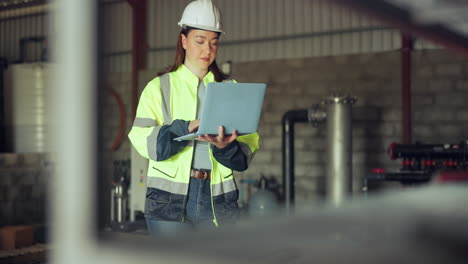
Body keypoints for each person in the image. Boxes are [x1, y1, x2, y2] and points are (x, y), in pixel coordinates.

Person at [128, 0, 259, 237]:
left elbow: (246, 154)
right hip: (168, 202)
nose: (207, 50)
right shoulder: (158, 88)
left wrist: (225, 147)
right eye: (200, 41)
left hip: (217, 201)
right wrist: (182, 128)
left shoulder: (231, 88)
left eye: (214, 42)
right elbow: (142, 140)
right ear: (184, 40)